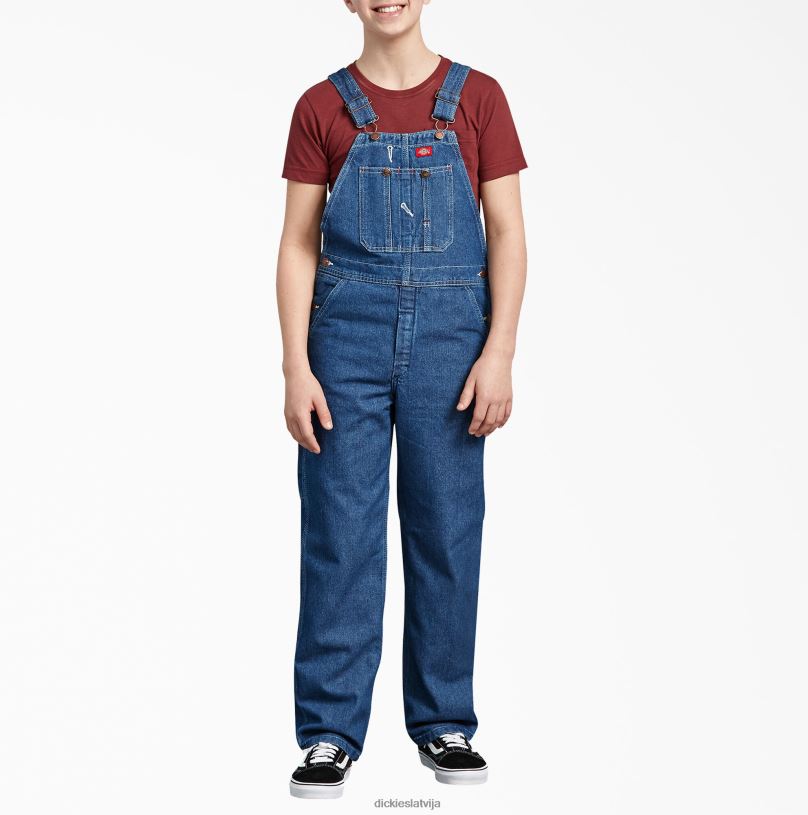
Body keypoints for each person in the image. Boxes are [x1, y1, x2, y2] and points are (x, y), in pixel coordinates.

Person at [276, 0, 527, 799]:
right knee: (338, 535)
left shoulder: (478, 98)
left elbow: (506, 232)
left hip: (453, 342)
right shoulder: (320, 106)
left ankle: (445, 721)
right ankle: (328, 732)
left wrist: (499, 351)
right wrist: (294, 365)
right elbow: (297, 242)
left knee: (446, 529)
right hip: (342, 342)